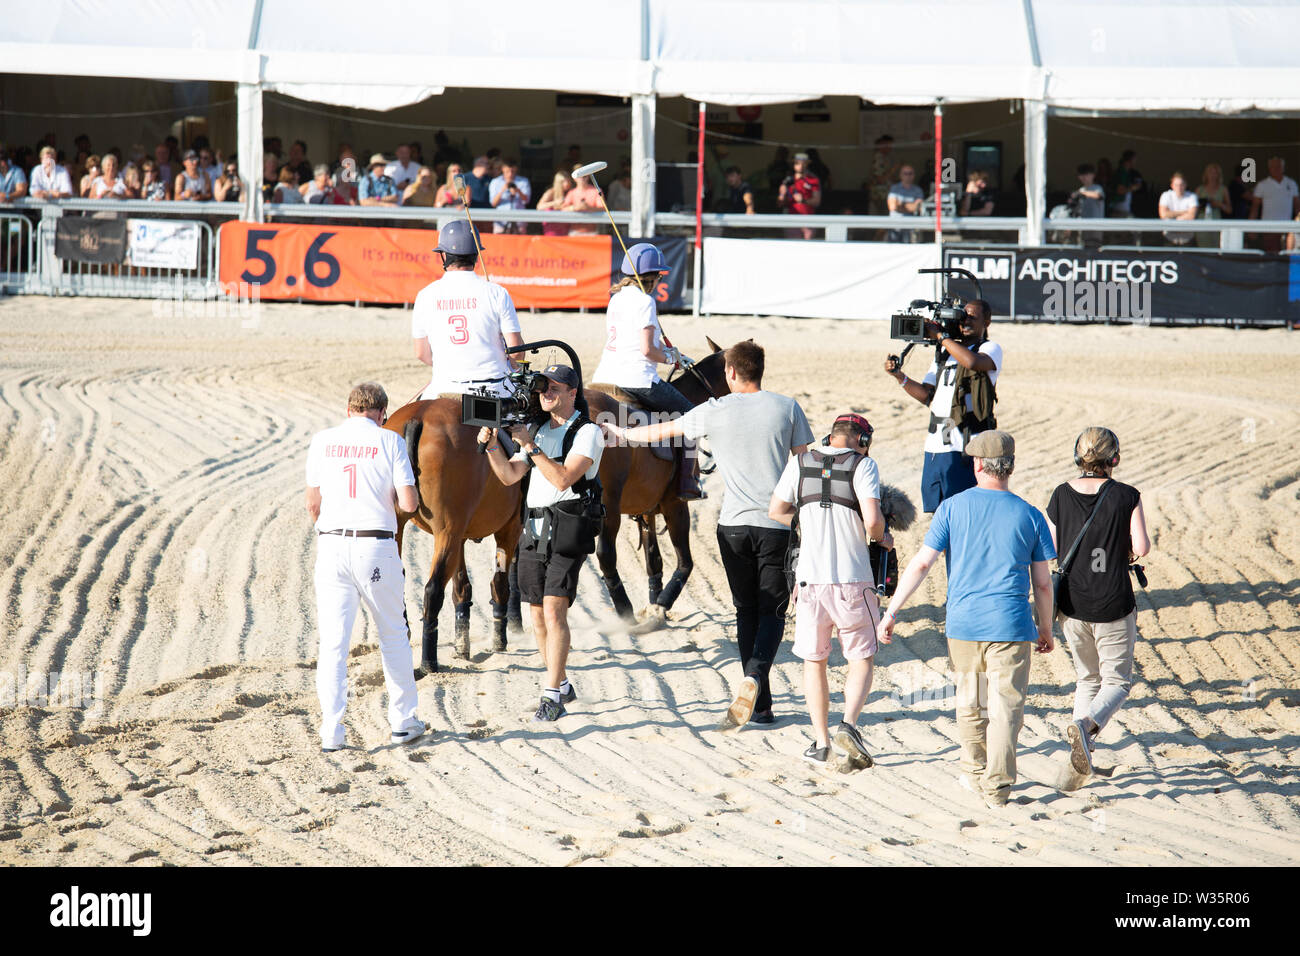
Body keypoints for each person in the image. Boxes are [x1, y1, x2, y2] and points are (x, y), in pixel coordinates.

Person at [603, 341, 813, 727]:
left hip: (732, 526)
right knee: (773, 611)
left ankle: (762, 706)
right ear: (759, 371)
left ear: (730, 372)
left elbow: (657, 432)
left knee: (745, 610)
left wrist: (619, 431)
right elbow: (804, 466)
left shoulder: (713, 411)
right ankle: (754, 678)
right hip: (776, 525)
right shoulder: (788, 408)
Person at [878, 430, 1055, 809]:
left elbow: (923, 563)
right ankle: (998, 786)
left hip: (964, 624)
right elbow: (1042, 584)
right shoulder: (1030, 514)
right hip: (1011, 624)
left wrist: (891, 612)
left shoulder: (952, 508)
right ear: (1009, 466)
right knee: (1007, 706)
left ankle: (974, 771)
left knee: (971, 701)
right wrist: (1045, 627)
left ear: (977, 465)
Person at [305, 381, 426, 753]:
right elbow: (408, 503)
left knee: (334, 643)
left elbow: (313, 504)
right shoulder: (389, 441)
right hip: (374, 546)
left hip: (332, 545)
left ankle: (331, 729)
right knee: (393, 634)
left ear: (349, 410)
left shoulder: (322, 440)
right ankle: (403, 721)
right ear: (382, 414)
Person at [478, 364, 604, 723]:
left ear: (571, 392)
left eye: (554, 388)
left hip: (568, 528)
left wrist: (530, 446)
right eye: (542, 389)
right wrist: (491, 447)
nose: (545, 394)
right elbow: (509, 476)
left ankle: (551, 696)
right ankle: (561, 682)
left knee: (553, 609)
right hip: (534, 528)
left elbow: (563, 478)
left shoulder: (588, 432)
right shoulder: (536, 430)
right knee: (535, 613)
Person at [768, 413, 887, 767]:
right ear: (860, 441)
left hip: (809, 580)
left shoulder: (799, 463)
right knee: (861, 656)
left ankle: (820, 743)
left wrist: (806, 520)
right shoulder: (864, 466)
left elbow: (776, 510)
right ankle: (848, 725)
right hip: (853, 580)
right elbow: (873, 524)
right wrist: (884, 537)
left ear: (830, 436)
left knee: (813, 661)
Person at [1047, 427, 1150, 776]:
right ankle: (1088, 727)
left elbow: (1053, 544)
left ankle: (1083, 747)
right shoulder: (1127, 495)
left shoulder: (1060, 494)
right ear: (1114, 459)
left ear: (1078, 457)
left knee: (1087, 678)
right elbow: (1143, 546)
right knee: (1118, 682)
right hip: (1113, 602)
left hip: (1073, 604)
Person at [591, 242, 702, 500]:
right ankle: (687, 482)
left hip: (603, 376)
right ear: (650, 278)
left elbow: (644, 340)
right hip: (636, 379)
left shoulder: (616, 298)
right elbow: (647, 351)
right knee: (693, 416)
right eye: (659, 275)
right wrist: (670, 358)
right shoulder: (645, 301)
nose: (659, 280)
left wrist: (673, 352)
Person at [884, 298, 1001, 514]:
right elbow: (928, 396)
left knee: (963, 513)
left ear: (987, 321)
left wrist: (941, 336)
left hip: (964, 447)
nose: (966, 322)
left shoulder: (989, 348)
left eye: (973, 318)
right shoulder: (945, 352)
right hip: (936, 446)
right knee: (939, 514)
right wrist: (899, 377)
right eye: (963, 317)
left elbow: (973, 362)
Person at [411, 219, 524, 399]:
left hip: (443, 386)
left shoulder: (425, 295)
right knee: (525, 422)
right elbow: (516, 351)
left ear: (443, 255)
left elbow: (421, 353)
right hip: (494, 389)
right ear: (477, 255)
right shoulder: (497, 292)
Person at [1248, 156, 1300, 253]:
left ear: (1283, 168)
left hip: (1288, 229)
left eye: (1279, 166)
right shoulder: (1262, 185)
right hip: (1268, 228)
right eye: (1273, 167)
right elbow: (1255, 208)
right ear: (1269, 169)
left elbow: (1297, 207)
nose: (1276, 169)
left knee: (1287, 256)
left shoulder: (1291, 184)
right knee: (1271, 256)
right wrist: (1251, 228)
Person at [778, 152, 821, 239]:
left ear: (807, 164)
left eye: (803, 163)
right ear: (793, 165)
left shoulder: (813, 180)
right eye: (797, 163)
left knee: (808, 248)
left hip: (808, 220)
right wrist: (782, 195)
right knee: (793, 248)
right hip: (792, 220)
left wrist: (803, 200)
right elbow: (780, 204)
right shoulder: (787, 180)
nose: (800, 166)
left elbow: (817, 201)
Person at [488, 158, 531, 233]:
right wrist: (503, 190)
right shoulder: (496, 182)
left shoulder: (523, 181)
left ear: (516, 169)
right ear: (503, 169)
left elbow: (526, 201)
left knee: (520, 244)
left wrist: (518, 191)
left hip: (519, 222)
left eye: (513, 171)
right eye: (507, 171)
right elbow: (493, 203)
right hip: (501, 222)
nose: (510, 174)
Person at [1195, 163, 1231, 248]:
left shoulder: (1223, 189)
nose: (1212, 175)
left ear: (1218, 175)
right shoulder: (1200, 190)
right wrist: (1203, 204)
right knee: (1203, 248)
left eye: (1215, 173)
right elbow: (1193, 209)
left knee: (1216, 247)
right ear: (1206, 174)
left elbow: (1229, 210)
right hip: (1202, 222)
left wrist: (1219, 204)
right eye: (1210, 172)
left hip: (1216, 222)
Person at [1158, 171, 1198, 245]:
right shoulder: (1166, 195)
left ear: (1186, 185)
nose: (1179, 187)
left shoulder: (1192, 196)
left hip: (1187, 238)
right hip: (1169, 237)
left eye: (1181, 184)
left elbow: (1192, 216)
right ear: (1172, 185)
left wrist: (1173, 216)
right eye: (1176, 185)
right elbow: (1163, 214)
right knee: (1167, 257)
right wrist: (1184, 212)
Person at [562, 165, 604, 235]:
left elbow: (603, 208)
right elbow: (563, 209)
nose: (582, 179)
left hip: (592, 233)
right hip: (574, 232)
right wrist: (575, 208)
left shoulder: (596, 190)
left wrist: (588, 208)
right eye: (579, 176)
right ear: (575, 179)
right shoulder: (571, 193)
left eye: (585, 176)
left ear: (588, 177)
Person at [886, 165, 924, 242]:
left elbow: (919, 208)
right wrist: (911, 206)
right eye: (905, 173)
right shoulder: (894, 188)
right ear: (901, 175)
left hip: (911, 227)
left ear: (913, 175)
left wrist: (900, 205)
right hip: (895, 226)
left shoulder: (918, 190)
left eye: (910, 173)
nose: (908, 176)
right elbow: (892, 206)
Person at [536, 168, 574, 236]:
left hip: (565, 226)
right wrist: (554, 203)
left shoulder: (570, 193)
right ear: (559, 182)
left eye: (569, 181)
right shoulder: (551, 192)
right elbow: (539, 207)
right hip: (552, 227)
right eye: (565, 181)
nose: (568, 183)